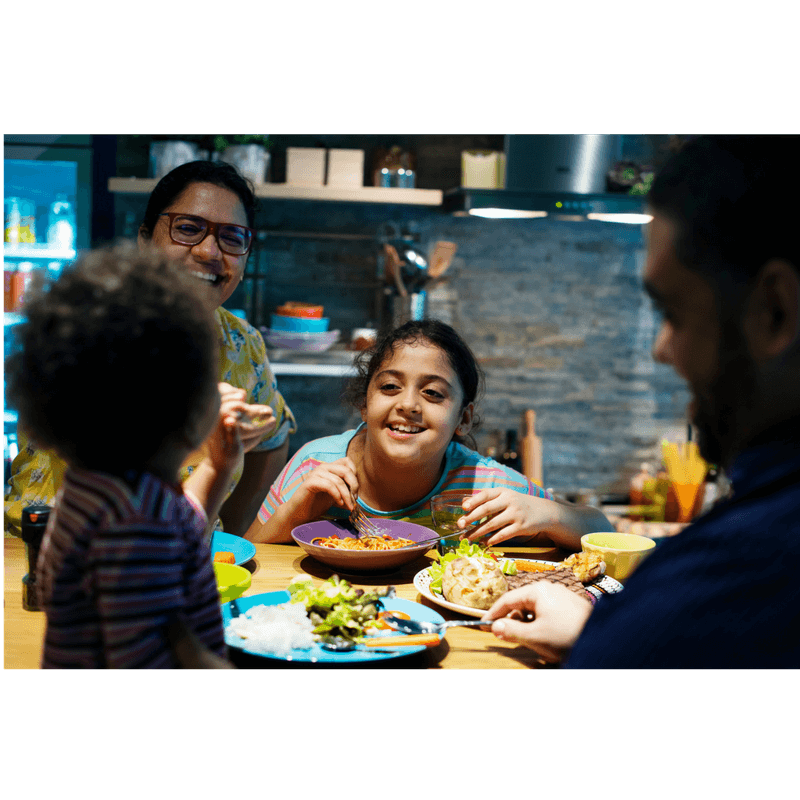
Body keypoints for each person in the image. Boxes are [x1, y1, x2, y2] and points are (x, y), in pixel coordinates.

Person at [482, 135, 800, 669]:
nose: (661, 351)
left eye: (672, 313)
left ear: (774, 311)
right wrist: (602, 631)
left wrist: (624, 636)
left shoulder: (746, 567)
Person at [3, 160, 296, 538]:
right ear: (144, 239)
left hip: (183, 554)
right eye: (188, 229)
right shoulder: (88, 323)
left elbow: (272, 436)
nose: (209, 251)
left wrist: (232, 533)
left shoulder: (241, 342)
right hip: (56, 550)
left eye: (232, 237)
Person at [4, 243, 252, 668]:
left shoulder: (105, 488)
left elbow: (180, 528)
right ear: (178, 406)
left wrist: (217, 464)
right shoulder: (133, 523)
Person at [247, 319, 614, 547]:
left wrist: (544, 512)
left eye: (433, 393)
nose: (408, 404)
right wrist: (296, 511)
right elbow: (247, 552)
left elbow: (602, 530)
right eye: (389, 387)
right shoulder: (317, 464)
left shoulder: (482, 485)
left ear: (463, 419)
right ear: (364, 403)